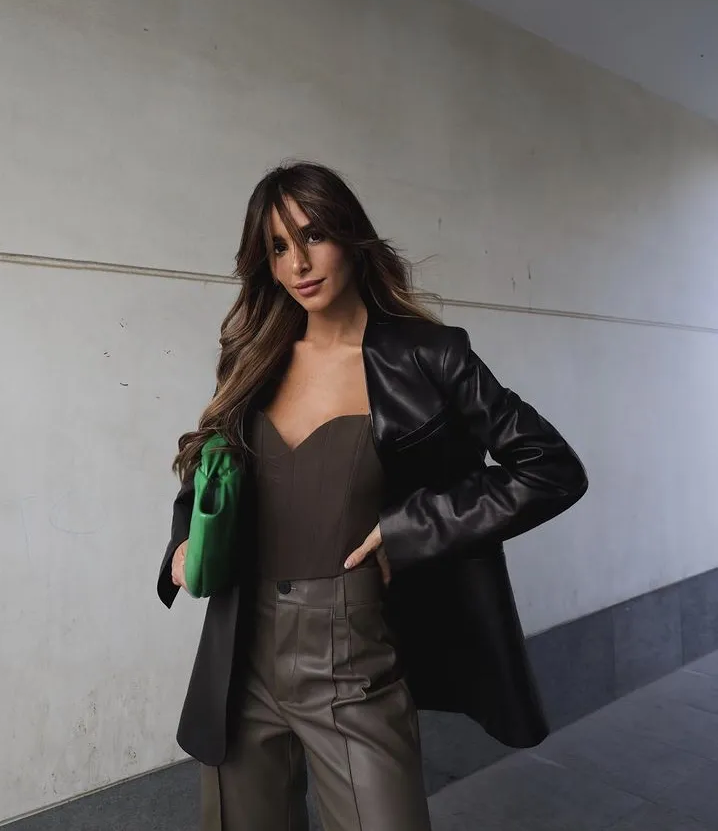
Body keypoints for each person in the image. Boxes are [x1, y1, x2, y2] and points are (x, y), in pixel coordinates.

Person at [158, 161, 588, 831]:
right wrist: (186, 540)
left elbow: (549, 468)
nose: (298, 262)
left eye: (314, 235)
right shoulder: (256, 357)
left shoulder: (428, 358)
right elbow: (211, 469)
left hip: (353, 655)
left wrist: (416, 525)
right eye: (277, 247)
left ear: (351, 237)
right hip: (241, 649)